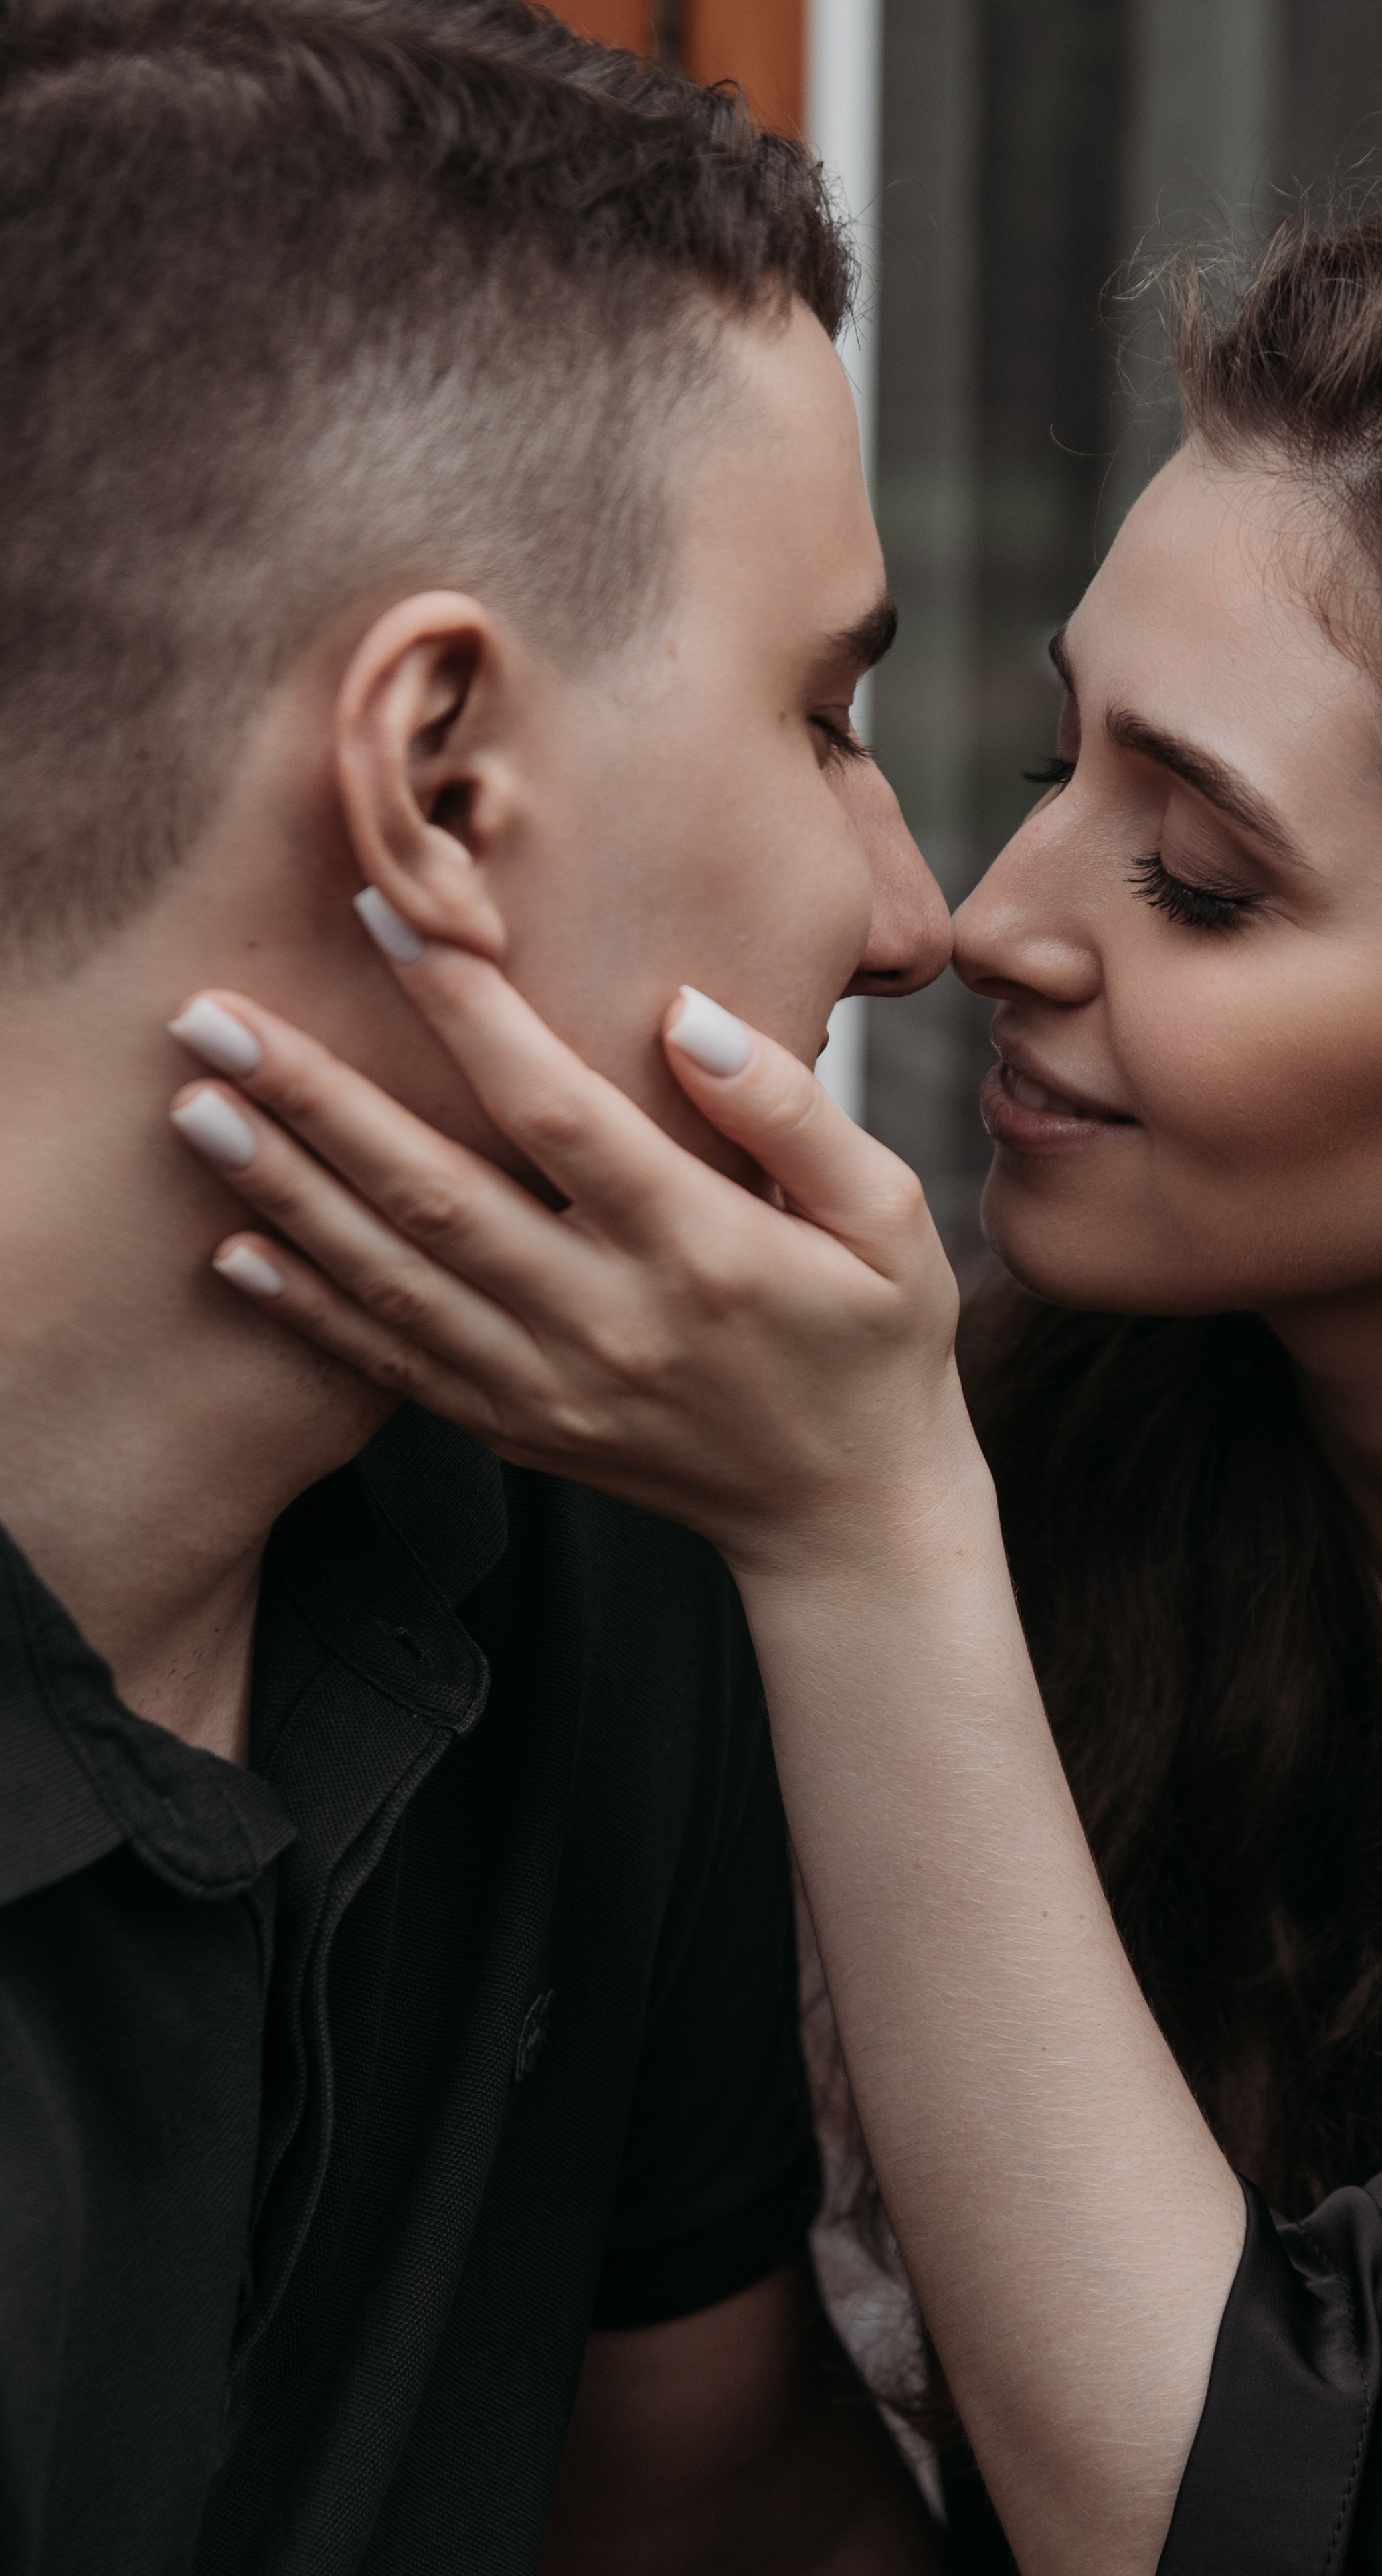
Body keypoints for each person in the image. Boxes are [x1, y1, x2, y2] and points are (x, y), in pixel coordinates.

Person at [184, 190, 1382, 2573]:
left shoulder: (891, 1477)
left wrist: (867, 1531)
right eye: (1043, 757)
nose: (986, 919)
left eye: (1196, 875)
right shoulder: (1078, 1444)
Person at [0, 3, 955, 2570]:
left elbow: (717, 2505)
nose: (913, 914)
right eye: (824, 718)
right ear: (436, 776)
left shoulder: (597, 1517)